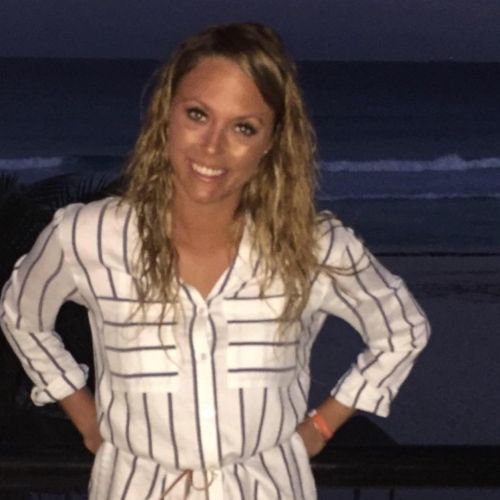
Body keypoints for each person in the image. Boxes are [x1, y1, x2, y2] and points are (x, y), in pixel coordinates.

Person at [0, 23, 430, 499]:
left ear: (271, 141)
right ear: (166, 114)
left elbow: (402, 330)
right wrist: (85, 417)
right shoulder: (91, 236)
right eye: (198, 114)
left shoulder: (310, 247)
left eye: (244, 127)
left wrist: (321, 427)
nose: (212, 146)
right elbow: (21, 314)